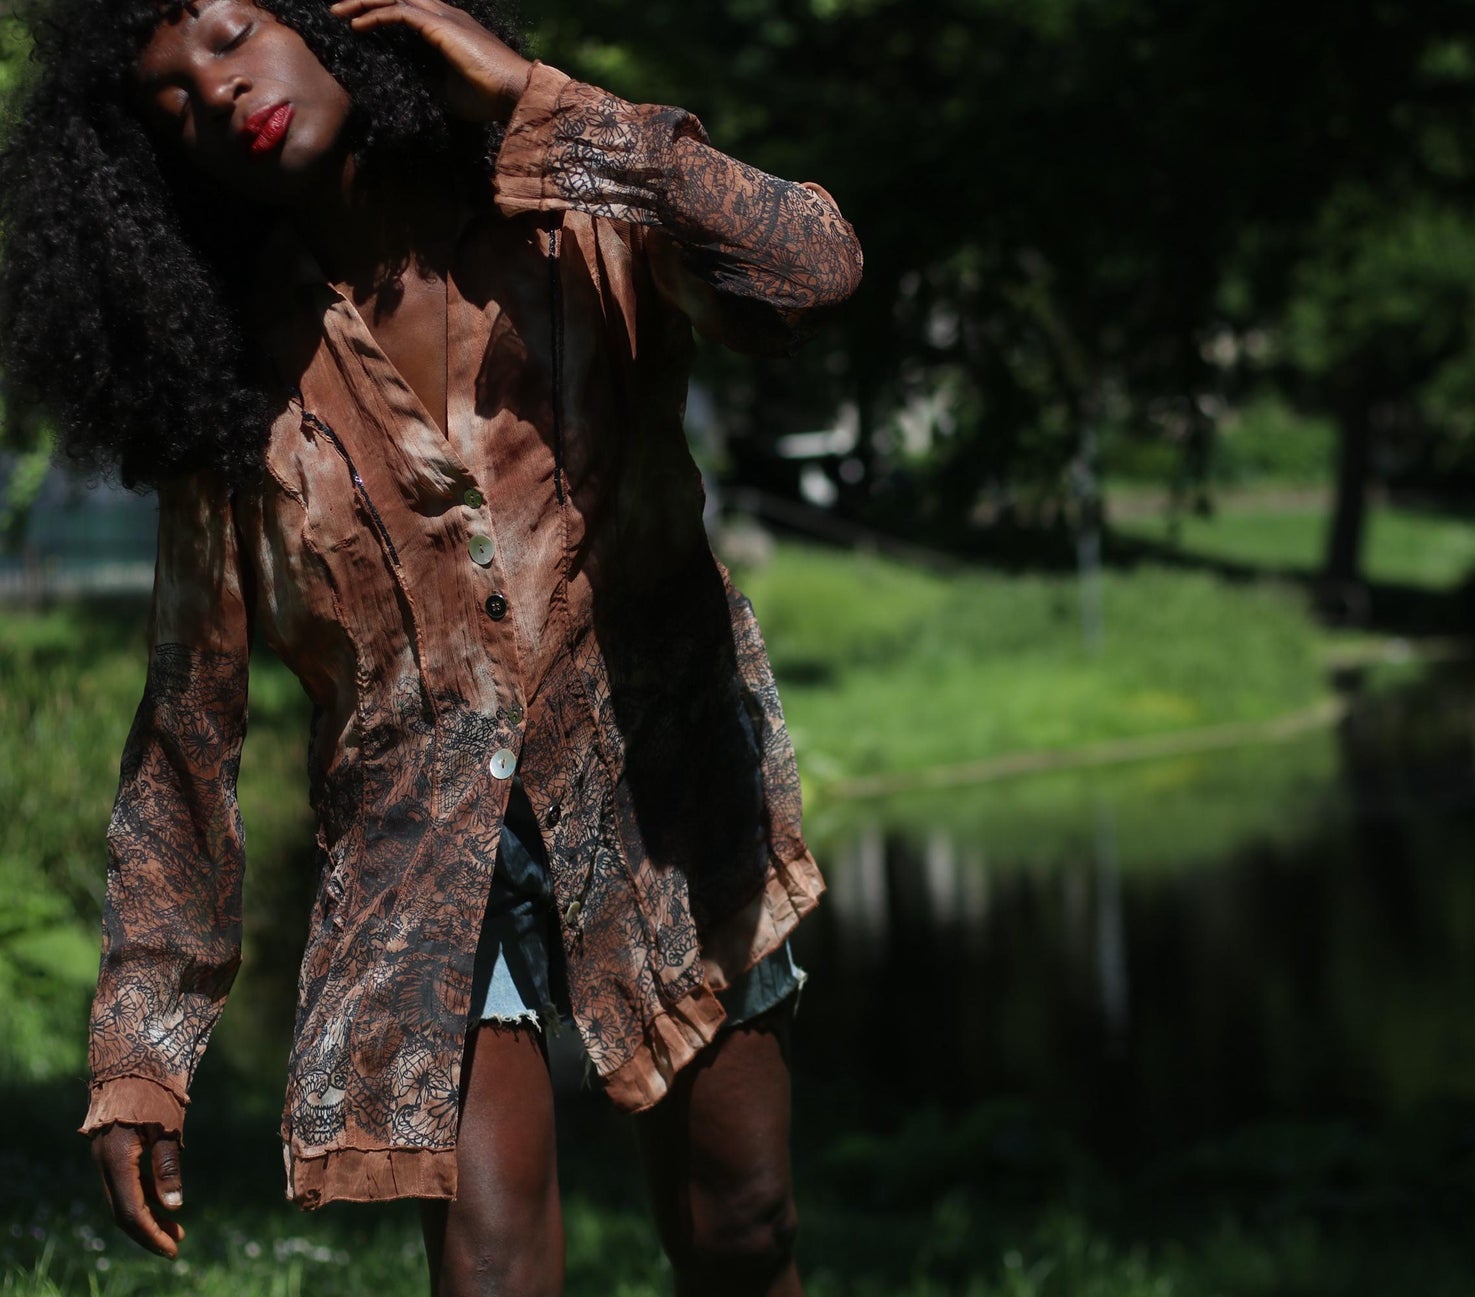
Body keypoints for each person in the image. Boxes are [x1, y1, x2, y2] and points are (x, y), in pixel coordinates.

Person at [0, 0, 860, 1292]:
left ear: (330, 16)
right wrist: (141, 1054)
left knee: (742, 1230)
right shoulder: (224, 381)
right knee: (490, 1275)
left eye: (231, 34)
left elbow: (810, 274)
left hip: (668, 803)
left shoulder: (567, 215)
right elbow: (187, 726)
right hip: (421, 862)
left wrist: (534, 98)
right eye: (170, 101)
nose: (218, 94)